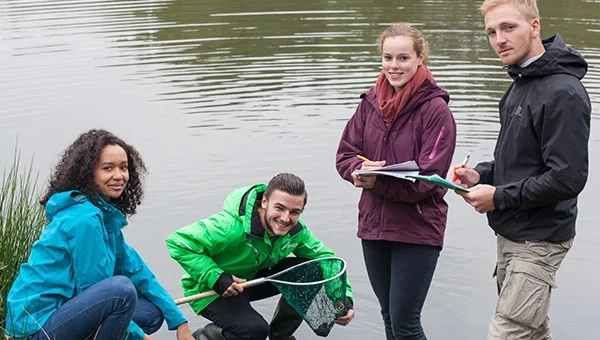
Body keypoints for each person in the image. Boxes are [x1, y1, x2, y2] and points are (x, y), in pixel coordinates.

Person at [451, 0, 591, 339]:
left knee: (508, 333)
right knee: (532, 332)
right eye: (491, 32)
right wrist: (482, 175)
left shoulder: (563, 92)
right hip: (512, 232)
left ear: (535, 26)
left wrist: (498, 197)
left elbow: (567, 178)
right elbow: (522, 161)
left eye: (508, 27)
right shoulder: (520, 85)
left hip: (539, 239)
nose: (499, 39)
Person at [4, 129, 194, 340]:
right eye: (108, 168)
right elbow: (94, 288)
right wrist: (141, 337)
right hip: (35, 328)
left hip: (63, 310)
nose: (119, 175)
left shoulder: (104, 216)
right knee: (121, 290)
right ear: (88, 173)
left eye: (123, 168)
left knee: (151, 313)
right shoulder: (84, 219)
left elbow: (138, 272)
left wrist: (179, 321)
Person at [335, 23, 456, 340]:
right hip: (374, 227)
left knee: (405, 322)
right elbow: (345, 155)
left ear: (419, 58)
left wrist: (376, 183)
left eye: (403, 58)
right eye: (388, 57)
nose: (394, 66)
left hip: (417, 230)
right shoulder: (369, 104)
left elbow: (428, 181)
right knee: (389, 316)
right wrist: (357, 173)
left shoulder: (436, 110)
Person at [166, 173, 354, 340]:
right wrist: (215, 276)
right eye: (279, 208)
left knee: (311, 268)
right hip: (211, 288)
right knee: (255, 331)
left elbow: (328, 261)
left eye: (294, 212)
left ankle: (281, 335)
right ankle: (206, 336)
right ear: (264, 202)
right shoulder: (229, 226)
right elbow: (177, 242)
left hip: (250, 279)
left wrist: (342, 300)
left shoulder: (296, 232)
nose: (285, 218)